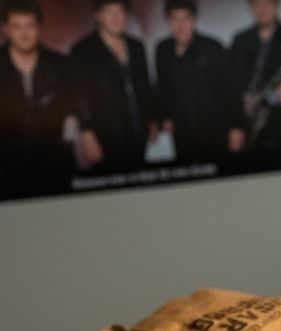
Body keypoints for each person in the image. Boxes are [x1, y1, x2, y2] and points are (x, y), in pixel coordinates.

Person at [69, 0, 155, 175]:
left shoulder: (136, 46)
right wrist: (87, 134)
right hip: (104, 135)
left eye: (121, 12)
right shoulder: (83, 50)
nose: (116, 18)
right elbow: (78, 95)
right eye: (109, 12)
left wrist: (152, 119)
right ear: (98, 15)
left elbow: (145, 87)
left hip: (138, 132)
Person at [228, 0, 281, 171]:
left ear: (277, 5)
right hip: (249, 130)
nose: (262, 9)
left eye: (267, 3)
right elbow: (230, 88)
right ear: (251, 8)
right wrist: (235, 125)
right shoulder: (240, 40)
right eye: (256, 4)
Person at [0, 0, 75, 198]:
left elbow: (74, 109)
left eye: (30, 25)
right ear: (5, 29)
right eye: (17, 26)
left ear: (40, 28)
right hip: (6, 169)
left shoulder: (60, 65)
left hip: (54, 166)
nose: (24, 33)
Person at [154, 0, 240, 167]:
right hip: (182, 133)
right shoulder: (162, 49)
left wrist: (236, 127)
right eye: (174, 19)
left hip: (215, 131)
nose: (181, 25)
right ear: (168, 22)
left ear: (194, 20)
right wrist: (164, 116)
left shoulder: (213, 47)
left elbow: (232, 89)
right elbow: (162, 88)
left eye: (186, 18)